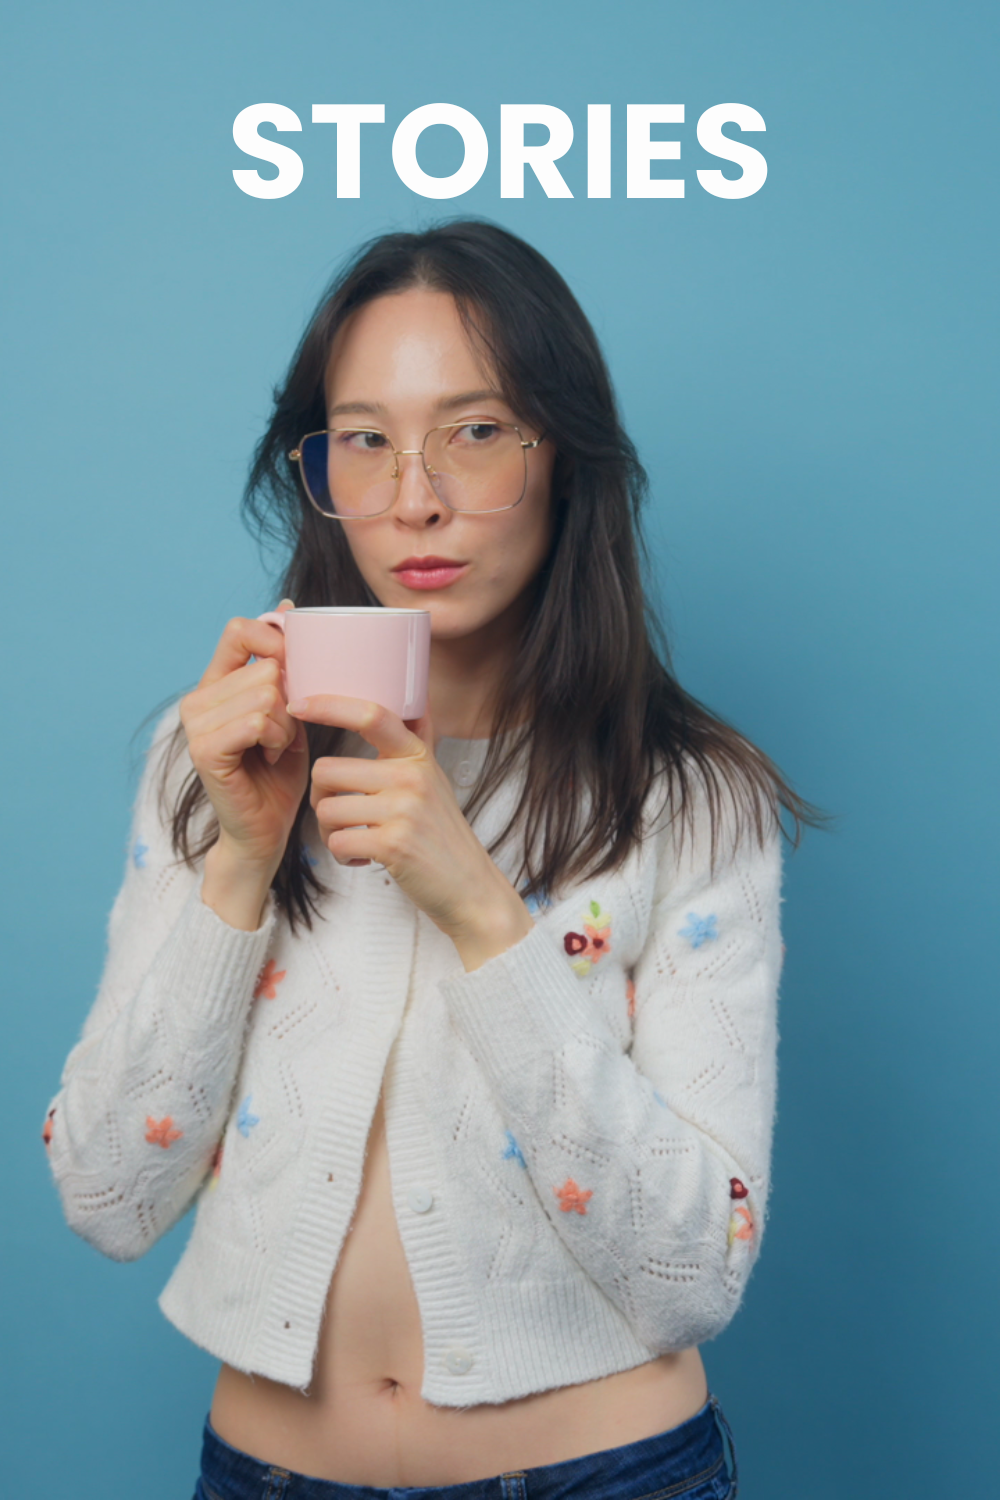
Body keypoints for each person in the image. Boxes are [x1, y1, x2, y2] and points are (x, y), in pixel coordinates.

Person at [43, 220, 813, 1500]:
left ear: (563, 457)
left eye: (476, 430)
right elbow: (108, 1197)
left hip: (603, 1475)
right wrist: (238, 866)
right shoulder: (219, 757)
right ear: (315, 468)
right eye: (364, 439)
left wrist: (482, 913)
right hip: (268, 1474)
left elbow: (694, 1274)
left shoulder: (691, 798)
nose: (415, 498)